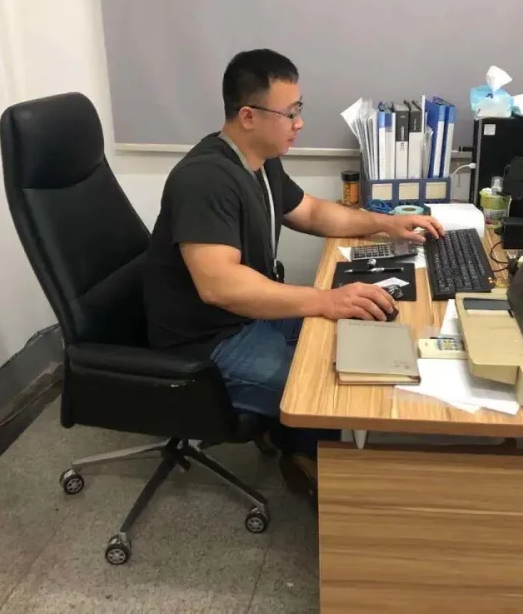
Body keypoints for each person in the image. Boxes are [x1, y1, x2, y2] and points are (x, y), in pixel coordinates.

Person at [144, 49, 443, 494]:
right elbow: (219, 286)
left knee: (352, 332)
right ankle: (305, 456)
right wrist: (324, 299)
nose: (299, 123)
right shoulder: (204, 179)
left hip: (249, 317)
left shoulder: (260, 162)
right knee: (327, 387)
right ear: (248, 116)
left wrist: (385, 223)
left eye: (298, 109)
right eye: (290, 113)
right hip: (207, 341)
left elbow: (313, 212)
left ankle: (293, 437)